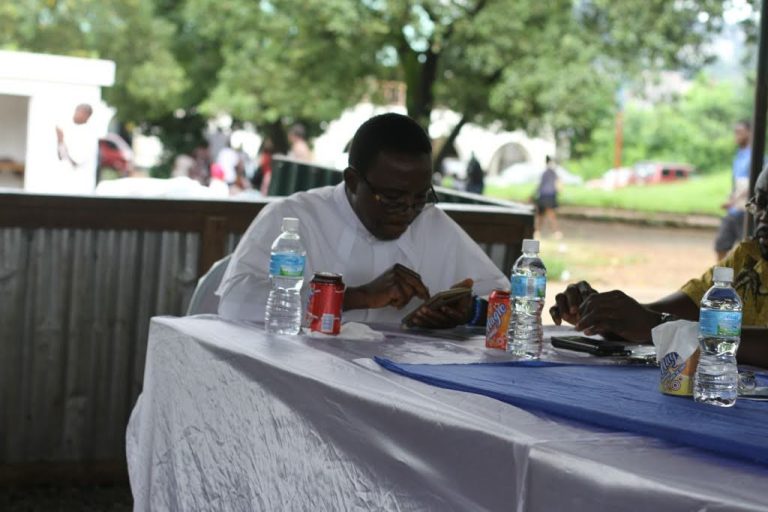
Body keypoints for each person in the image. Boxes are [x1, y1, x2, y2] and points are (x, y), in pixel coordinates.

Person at [217, 113, 508, 327]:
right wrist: (354, 297)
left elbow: (507, 303)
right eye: (392, 198)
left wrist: (469, 312)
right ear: (353, 182)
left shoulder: (432, 224)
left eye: (420, 197)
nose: (408, 210)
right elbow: (234, 302)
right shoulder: (294, 218)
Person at [549, 165, 768, 367]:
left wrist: (656, 325)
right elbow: (661, 315)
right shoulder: (749, 259)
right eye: (761, 202)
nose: (764, 217)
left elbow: (658, 323)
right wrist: (607, 314)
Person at [715, 120, 752, 261]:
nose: (736, 135)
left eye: (740, 132)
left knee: (748, 251)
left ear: (750, 133)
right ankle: (724, 274)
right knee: (721, 246)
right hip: (734, 210)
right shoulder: (739, 155)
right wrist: (731, 197)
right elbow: (738, 183)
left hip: (746, 211)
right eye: (735, 132)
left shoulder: (756, 156)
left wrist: (733, 200)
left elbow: (753, 183)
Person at [55, 103, 98, 193]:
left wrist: (61, 140)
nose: (75, 114)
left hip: (80, 186)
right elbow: (61, 156)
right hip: (64, 185)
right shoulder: (72, 129)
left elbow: (77, 160)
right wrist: (60, 141)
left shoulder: (89, 134)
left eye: (78, 111)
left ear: (86, 115)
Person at [535, 156, 561, 237]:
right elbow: (558, 185)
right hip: (550, 196)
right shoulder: (553, 173)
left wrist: (535, 194)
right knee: (550, 214)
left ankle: (537, 231)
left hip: (543, 196)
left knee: (540, 215)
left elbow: (540, 185)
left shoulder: (545, 173)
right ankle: (555, 232)